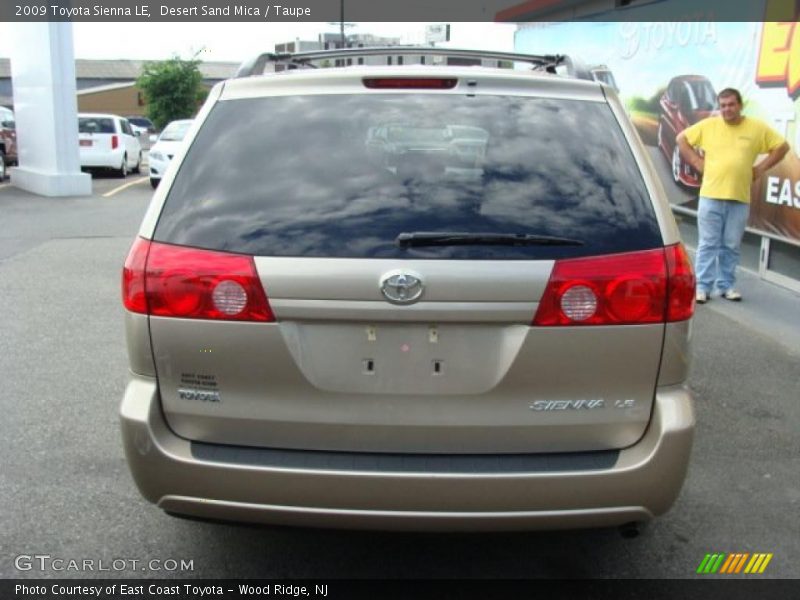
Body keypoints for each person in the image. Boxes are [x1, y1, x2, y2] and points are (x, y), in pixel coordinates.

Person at [677, 88, 789, 304]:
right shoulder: (709, 126)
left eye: (731, 105)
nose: (726, 109)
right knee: (708, 243)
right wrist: (696, 162)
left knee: (731, 245)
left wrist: (762, 168)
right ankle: (702, 287)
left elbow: (782, 147)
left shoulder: (756, 128)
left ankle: (726, 286)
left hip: (739, 199)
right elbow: (682, 138)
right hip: (710, 196)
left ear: (740, 105)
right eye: (723, 105)